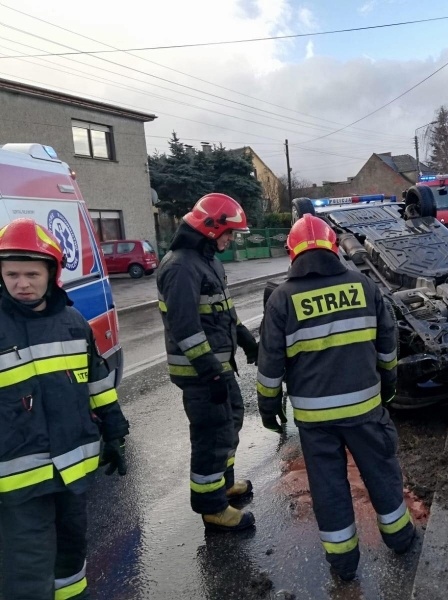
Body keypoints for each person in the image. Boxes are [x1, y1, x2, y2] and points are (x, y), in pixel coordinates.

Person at [257, 214, 415, 582]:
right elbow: (388, 345)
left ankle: (343, 565)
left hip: (315, 421)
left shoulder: (281, 299)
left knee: (328, 487)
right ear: (333, 247)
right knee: (381, 471)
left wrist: (269, 406)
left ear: (291, 253)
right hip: (365, 410)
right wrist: (388, 385)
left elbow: (269, 365)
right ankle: (401, 538)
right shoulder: (363, 286)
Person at [0, 218, 129, 600]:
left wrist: (114, 429)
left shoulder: (73, 323)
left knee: (71, 559)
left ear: (52, 272)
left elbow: (98, 383)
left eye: (31, 274)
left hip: (72, 471)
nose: (21, 283)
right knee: (27, 572)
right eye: (11, 274)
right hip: (19, 482)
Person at [157, 193, 259, 532]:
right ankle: (212, 507)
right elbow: (184, 327)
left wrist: (243, 336)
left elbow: (222, 311)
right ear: (210, 227)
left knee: (230, 422)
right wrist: (210, 374)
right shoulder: (180, 266)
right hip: (200, 373)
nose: (231, 239)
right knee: (211, 436)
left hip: (218, 366)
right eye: (229, 232)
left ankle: (223, 485)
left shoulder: (207, 260)